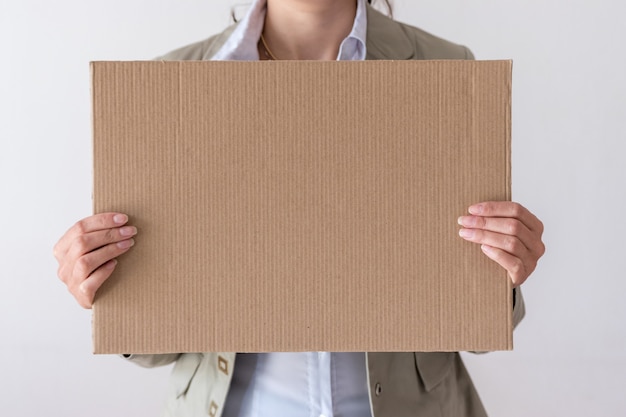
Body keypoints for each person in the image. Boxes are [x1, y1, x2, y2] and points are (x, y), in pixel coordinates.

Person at [54, 0, 545, 416]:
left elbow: (473, 324)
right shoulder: (168, 86)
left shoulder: (447, 69)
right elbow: (158, 347)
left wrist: (503, 268)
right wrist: (108, 282)